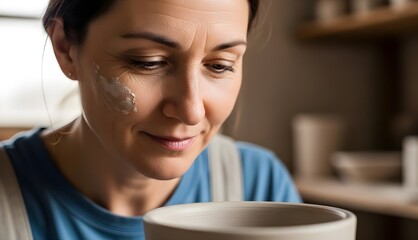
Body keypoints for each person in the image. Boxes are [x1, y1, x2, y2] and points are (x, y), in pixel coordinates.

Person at [0, 0, 301, 239]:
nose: (191, 110)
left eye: (220, 66)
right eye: (149, 62)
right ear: (65, 48)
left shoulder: (261, 188)